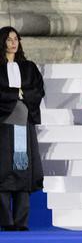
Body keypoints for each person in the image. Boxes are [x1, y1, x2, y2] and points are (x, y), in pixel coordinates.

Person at [0, 27, 44, 231]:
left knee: (23, 170)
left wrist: (20, 93)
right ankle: (5, 220)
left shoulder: (29, 67)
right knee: (3, 172)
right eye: (9, 40)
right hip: (4, 126)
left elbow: (37, 90)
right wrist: (15, 94)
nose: (13, 43)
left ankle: (21, 220)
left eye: (16, 39)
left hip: (24, 125)